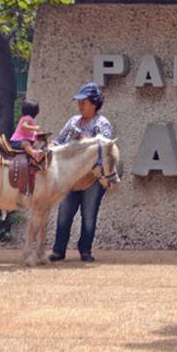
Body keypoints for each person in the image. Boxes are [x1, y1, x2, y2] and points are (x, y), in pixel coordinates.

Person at [48, 82, 113, 263]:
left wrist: (83, 139)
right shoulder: (73, 121)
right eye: (79, 102)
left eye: (84, 102)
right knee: (64, 213)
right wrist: (52, 145)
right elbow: (60, 140)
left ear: (94, 103)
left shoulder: (102, 123)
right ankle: (58, 250)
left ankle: (85, 250)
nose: (80, 105)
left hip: (92, 178)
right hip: (70, 178)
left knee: (89, 214)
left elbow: (104, 148)